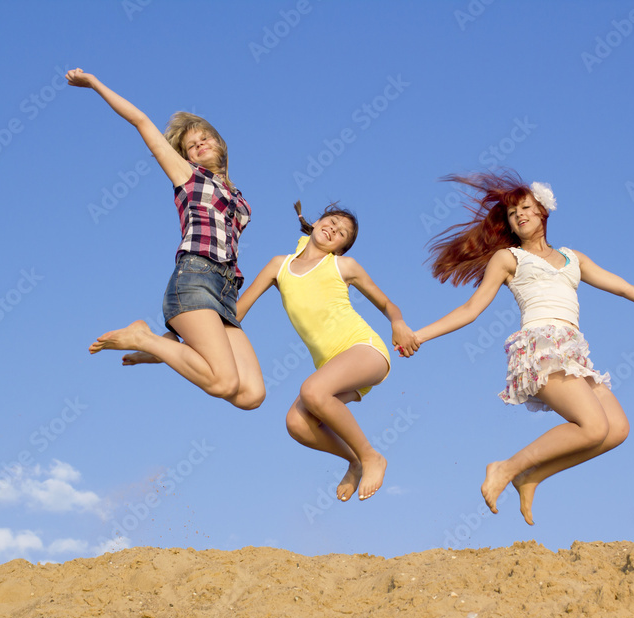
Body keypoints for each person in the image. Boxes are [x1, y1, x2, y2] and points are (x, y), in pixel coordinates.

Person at [410, 171, 634, 524]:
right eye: (512, 213)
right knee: (592, 426)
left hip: (572, 353)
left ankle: (531, 475)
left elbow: (625, 288)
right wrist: (420, 335)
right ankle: (505, 468)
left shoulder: (574, 258)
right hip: (540, 348)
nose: (519, 215)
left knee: (616, 430)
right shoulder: (509, 259)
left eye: (525, 207)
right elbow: (470, 310)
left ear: (543, 211)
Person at [66, 68, 265, 411]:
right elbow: (142, 121)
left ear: (220, 144)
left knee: (251, 396)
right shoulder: (188, 176)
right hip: (195, 279)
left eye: (205, 138)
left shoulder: (239, 196)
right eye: (191, 145)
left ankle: (165, 347)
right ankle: (146, 338)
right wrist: (95, 84)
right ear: (185, 157)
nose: (200, 144)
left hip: (225, 294)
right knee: (223, 382)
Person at [235, 202, 419, 501]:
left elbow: (387, 304)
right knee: (297, 423)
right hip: (333, 368)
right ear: (316, 222)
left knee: (312, 390)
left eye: (342, 232)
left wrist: (398, 323)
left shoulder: (343, 266)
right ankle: (356, 459)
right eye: (331, 221)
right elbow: (237, 313)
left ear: (342, 247)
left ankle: (372, 457)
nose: (334, 228)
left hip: (365, 350)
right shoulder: (278, 266)